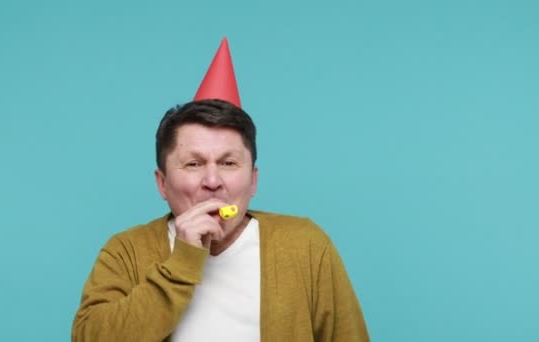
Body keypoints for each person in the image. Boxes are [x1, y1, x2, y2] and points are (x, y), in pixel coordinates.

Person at [72, 38, 369, 342]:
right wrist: (182, 262)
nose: (212, 181)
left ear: (253, 180)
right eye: (193, 164)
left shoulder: (305, 245)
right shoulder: (126, 251)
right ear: (162, 183)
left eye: (228, 163)